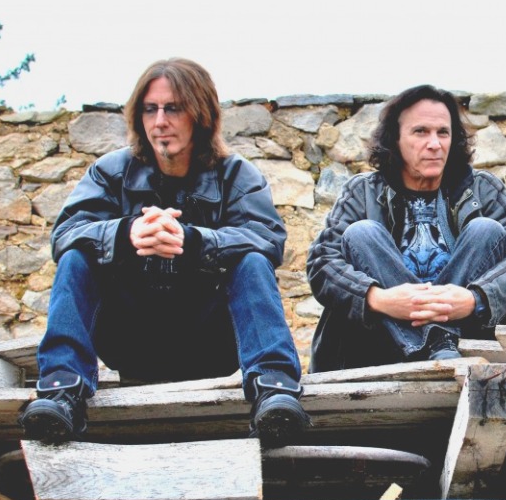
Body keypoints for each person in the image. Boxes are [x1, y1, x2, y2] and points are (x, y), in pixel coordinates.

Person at [18, 58, 309, 445]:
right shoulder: (110, 172)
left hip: (210, 340)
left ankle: (274, 391)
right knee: (76, 254)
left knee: (252, 258)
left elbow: (268, 239)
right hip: (131, 337)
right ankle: (61, 392)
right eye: (150, 109)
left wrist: (195, 243)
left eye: (173, 108)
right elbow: (65, 234)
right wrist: (125, 235)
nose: (159, 122)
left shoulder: (238, 175)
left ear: (200, 114)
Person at [307, 84, 506, 371]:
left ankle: (439, 340)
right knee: (361, 233)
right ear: (395, 139)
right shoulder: (362, 192)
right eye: (420, 132)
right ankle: (435, 340)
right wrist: (378, 299)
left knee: (486, 230)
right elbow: (322, 263)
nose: (434, 143)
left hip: (469, 342)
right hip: (380, 345)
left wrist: (475, 298)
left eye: (443, 132)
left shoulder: (483, 189)